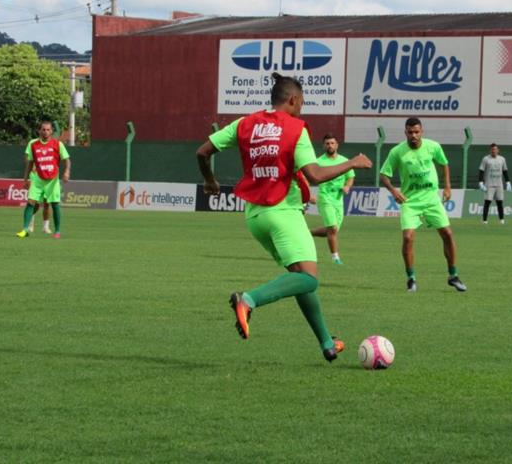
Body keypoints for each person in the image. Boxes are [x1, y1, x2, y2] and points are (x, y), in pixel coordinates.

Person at [196, 73, 372, 362]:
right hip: (283, 212)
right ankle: (249, 300)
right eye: (301, 102)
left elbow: (202, 152)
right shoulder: (295, 129)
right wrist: (352, 163)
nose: (302, 107)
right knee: (309, 280)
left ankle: (327, 343)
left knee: (298, 277)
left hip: (255, 217)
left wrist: (211, 182)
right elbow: (314, 175)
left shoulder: (245, 123)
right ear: (293, 99)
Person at [379, 117, 466, 293]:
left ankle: (453, 276)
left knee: (447, 234)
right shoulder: (397, 152)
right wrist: (394, 191)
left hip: (431, 199)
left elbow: (444, 164)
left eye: (417, 132)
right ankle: (411, 278)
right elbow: (383, 175)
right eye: (410, 132)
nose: (414, 135)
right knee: (408, 237)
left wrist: (447, 186)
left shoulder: (433, 146)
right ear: (405, 133)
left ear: (422, 132)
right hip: (410, 201)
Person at [16, 121, 70, 239]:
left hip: (52, 180)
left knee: (54, 204)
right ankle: (25, 229)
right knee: (30, 203)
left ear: (51, 131)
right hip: (38, 179)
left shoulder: (58, 144)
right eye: (43, 129)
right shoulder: (33, 145)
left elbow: (66, 160)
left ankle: (57, 231)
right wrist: (25, 179)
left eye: (48, 130)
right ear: (39, 131)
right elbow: (29, 163)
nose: (45, 132)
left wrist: (66, 171)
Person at [309, 133, 355, 265]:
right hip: (325, 198)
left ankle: (307, 233)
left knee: (331, 230)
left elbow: (350, 176)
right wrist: (309, 195)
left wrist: (347, 186)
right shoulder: (318, 162)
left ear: (337, 145)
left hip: (338, 200)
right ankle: (335, 258)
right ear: (324, 145)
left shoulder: (345, 161)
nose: (330, 145)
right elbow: (306, 178)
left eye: (332, 143)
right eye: (327, 143)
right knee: (333, 229)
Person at [478, 143, 512, 224]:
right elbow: (481, 171)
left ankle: (501, 220)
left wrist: (508, 182)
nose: (494, 151)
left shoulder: (502, 159)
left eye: (495, 149)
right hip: (489, 184)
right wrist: (481, 182)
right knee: (487, 202)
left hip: (499, 184)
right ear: (490, 150)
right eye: (492, 149)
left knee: (500, 202)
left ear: (498, 150)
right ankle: (484, 221)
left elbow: (505, 171)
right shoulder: (486, 159)